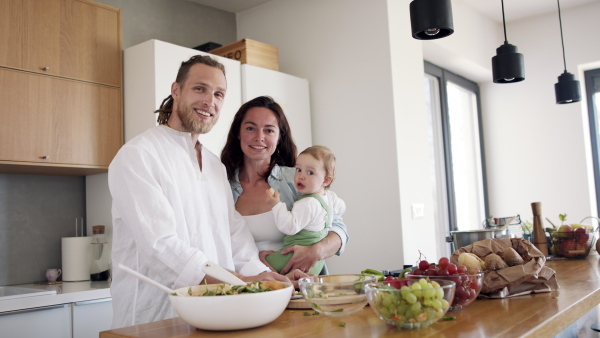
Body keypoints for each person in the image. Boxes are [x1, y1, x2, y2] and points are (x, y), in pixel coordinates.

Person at [108, 55, 297, 329]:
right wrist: (240, 282)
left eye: (219, 93)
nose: (210, 101)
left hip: (216, 314)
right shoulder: (138, 156)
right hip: (154, 318)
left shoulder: (213, 165)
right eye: (200, 89)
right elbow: (160, 246)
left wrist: (265, 277)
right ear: (176, 91)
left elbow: (235, 235)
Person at [221, 96, 349, 274]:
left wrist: (316, 251)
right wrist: (255, 266)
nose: (259, 137)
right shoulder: (221, 185)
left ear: (280, 137)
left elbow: (338, 228)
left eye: (269, 130)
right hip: (246, 285)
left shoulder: (297, 180)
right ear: (238, 133)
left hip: (300, 287)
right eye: (251, 128)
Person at [264, 145, 346, 274]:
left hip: (294, 257)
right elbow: (341, 207)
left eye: (310, 172)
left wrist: (276, 205)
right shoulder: (329, 197)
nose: (301, 176)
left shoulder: (307, 203)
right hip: (317, 264)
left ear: (326, 180)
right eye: (298, 169)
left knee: (261, 263)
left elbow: (290, 227)